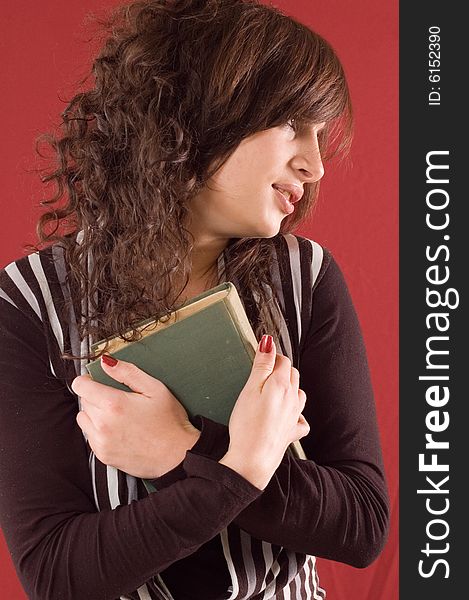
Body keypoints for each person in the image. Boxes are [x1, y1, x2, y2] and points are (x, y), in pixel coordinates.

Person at [0, 0, 390, 598]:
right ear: (200, 113)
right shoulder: (31, 301)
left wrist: (183, 450)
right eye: (293, 123)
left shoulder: (304, 278)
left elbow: (362, 526)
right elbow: (56, 574)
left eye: (320, 136)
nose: (313, 165)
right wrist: (239, 469)